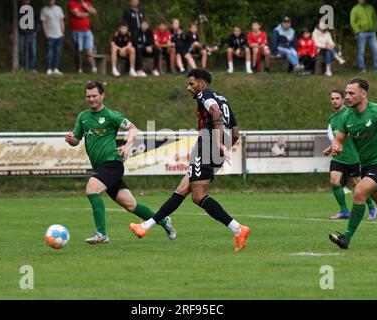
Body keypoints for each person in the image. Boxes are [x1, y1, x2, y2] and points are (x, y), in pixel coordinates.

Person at [129, 69, 251, 252]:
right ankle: (145, 227)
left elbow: (216, 115)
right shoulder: (222, 98)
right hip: (214, 145)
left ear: (202, 84)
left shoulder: (204, 94)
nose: (189, 88)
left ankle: (237, 228)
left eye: (191, 83)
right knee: (182, 189)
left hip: (209, 143)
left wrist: (217, 144)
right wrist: (225, 146)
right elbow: (235, 131)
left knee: (198, 195)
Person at [65, 81, 176, 244]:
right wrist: (71, 139)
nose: (91, 99)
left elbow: (133, 129)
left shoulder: (111, 115)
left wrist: (128, 145)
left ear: (102, 95)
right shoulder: (83, 117)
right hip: (101, 167)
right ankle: (164, 221)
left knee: (92, 190)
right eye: (88, 96)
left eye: (94, 95)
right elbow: (76, 140)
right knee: (131, 205)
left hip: (112, 163)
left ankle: (101, 234)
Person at [329, 77, 377, 249]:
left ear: (363, 94)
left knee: (359, 191)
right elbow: (339, 139)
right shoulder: (346, 116)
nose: (346, 96)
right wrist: (336, 147)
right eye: (346, 92)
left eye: (351, 93)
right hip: (367, 165)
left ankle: (346, 238)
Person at [323, 89, 377, 220]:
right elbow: (339, 137)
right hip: (338, 156)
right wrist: (330, 148)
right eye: (332, 99)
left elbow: (353, 133)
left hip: (352, 156)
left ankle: (372, 207)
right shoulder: (331, 118)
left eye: (337, 98)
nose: (334, 101)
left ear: (342, 100)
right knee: (334, 181)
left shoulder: (350, 113)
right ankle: (344, 210)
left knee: (359, 185)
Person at [350, 0, 377, 73]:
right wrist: (358, 31)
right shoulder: (355, 9)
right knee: (361, 51)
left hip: (372, 33)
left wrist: (374, 29)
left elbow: (375, 19)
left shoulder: (370, 8)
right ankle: (362, 68)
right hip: (361, 33)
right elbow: (352, 22)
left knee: (376, 50)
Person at [67, 0, 97, 74]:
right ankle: (79, 69)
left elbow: (94, 11)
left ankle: (94, 68)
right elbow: (77, 14)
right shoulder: (72, 3)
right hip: (76, 31)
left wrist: (85, 7)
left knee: (89, 50)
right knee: (78, 50)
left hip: (87, 31)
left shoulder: (86, 2)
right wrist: (88, 13)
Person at [41, 0, 65, 75]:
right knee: (49, 52)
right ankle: (49, 68)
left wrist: (62, 31)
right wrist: (46, 33)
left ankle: (56, 68)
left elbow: (61, 21)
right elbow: (43, 23)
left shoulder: (59, 9)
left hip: (59, 34)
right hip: (50, 34)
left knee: (58, 52)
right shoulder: (44, 10)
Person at [123, 0, 146, 71]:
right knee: (136, 48)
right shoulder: (127, 12)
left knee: (141, 47)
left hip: (141, 35)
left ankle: (139, 68)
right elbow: (125, 23)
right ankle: (135, 68)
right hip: (132, 34)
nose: (135, 2)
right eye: (133, 0)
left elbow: (144, 22)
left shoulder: (141, 12)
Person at [18, 0, 39, 72]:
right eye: (24, 0)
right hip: (22, 33)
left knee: (33, 52)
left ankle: (32, 68)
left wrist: (36, 31)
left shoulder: (33, 10)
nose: (26, 2)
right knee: (21, 51)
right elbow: (15, 21)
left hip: (31, 33)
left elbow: (37, 21)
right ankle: (22, 67)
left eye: (27, 0)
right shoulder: (19, 10)